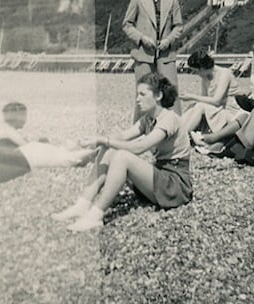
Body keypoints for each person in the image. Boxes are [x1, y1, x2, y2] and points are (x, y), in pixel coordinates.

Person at [52, 73, 192, 232]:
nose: (137, 99)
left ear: (158, 95)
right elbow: (123, 136)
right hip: (159, 178)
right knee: (112, 148)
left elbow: (140, 148)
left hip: (175, 186)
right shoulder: (149, 119)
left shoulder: (169, 119)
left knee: (122, 156)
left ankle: (95, 216)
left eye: (142, 94)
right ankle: (83, 204)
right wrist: (96, 143)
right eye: (137, 94)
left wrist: (105, 141)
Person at [122, 0, 183, 120]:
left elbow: (178, 26)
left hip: (166, 55)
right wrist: (142, 38)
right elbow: (127, 25)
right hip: (144, 55)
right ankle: (138, 135)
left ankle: (176, 133)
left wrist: (168, 40)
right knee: (143, 95)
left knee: (171, 94)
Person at [179, 49, 244, 155]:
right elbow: (205, 99)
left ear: (203, 67)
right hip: (218, 110)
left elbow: (216, 100)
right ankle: (176, 130)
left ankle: (181, 136)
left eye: (196, 71)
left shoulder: (224, 73)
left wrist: (191, 96)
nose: (196, 74)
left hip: (231, 112)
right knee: (194, 106)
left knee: (198, 105)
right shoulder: (205, 77)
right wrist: (193, 100)